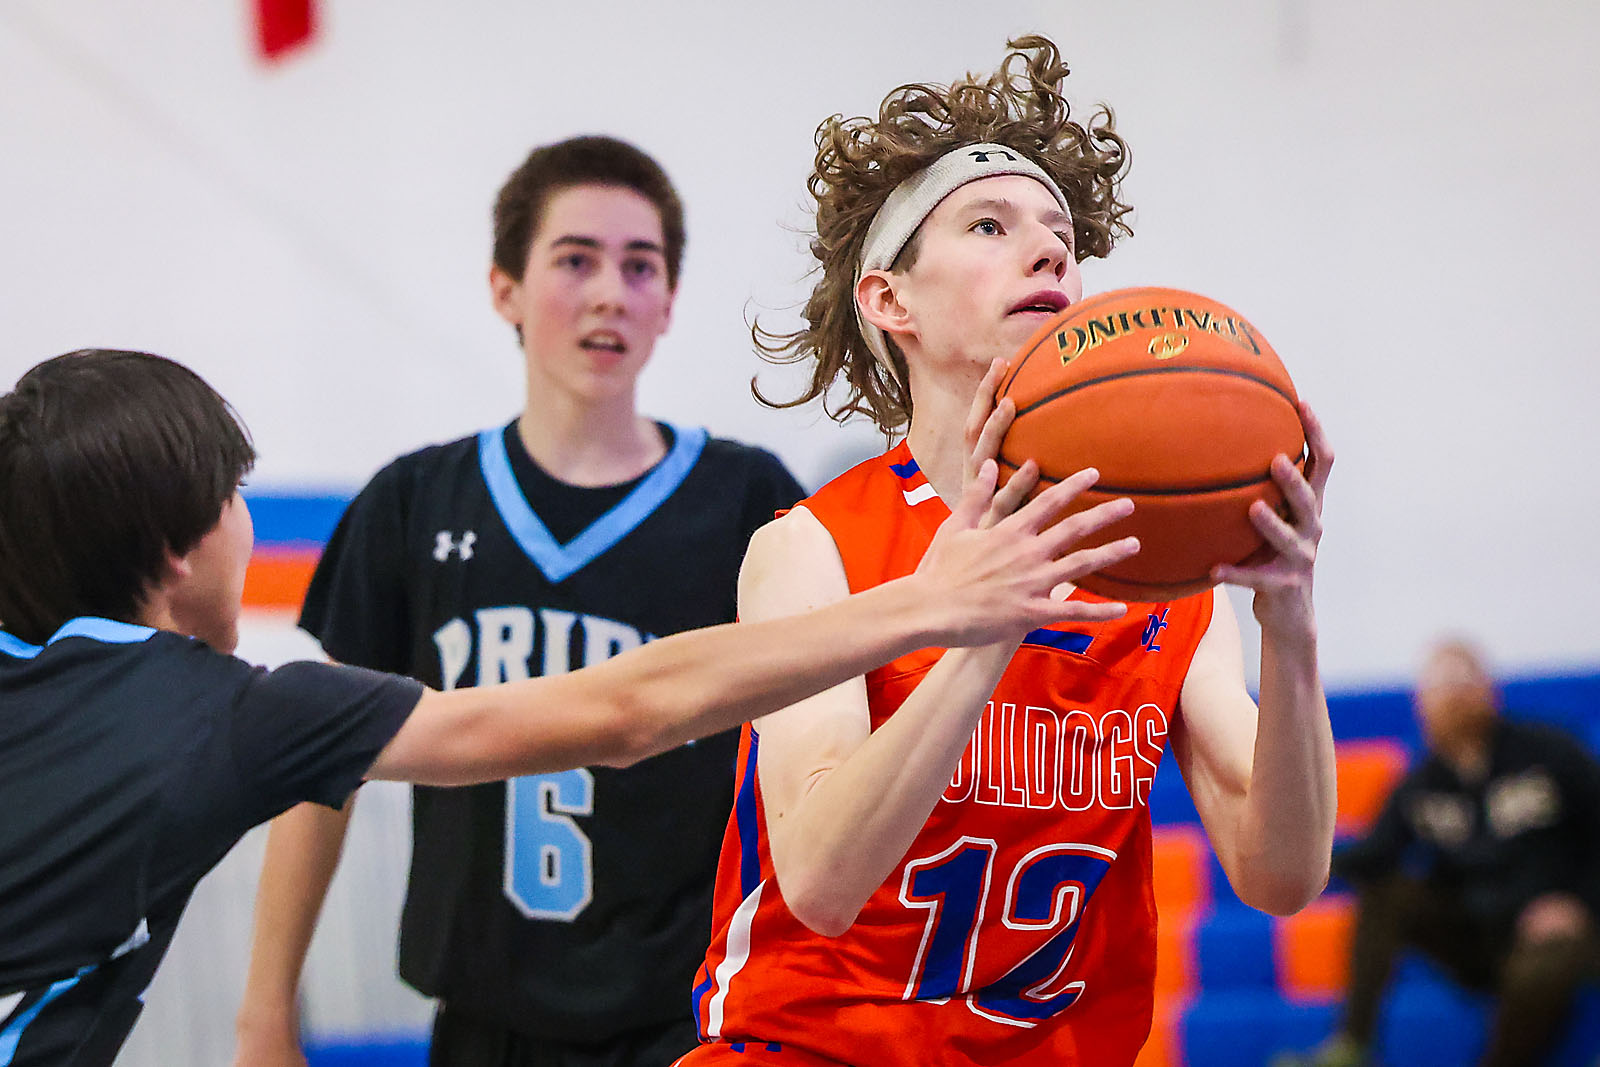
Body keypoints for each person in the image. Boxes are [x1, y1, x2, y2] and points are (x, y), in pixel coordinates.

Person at [0, 347, 1135, 1067]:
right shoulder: (237, 709)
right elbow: (629, 709)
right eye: (233, 495)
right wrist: (929, 606)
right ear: (177, 544)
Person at [679, 35, 1338, 1067]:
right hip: (813, 1050)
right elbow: (820, 877)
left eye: (1061, 238)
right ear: (889, 299)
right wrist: (980, 627)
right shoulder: (811, 548)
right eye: (990, 225)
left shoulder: (1153, 567)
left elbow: (1280, 875)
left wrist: (1288, 624)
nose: (1047, 253)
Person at [235, 135, 797, 1066]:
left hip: (696, 1020)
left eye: (640, 265)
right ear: (504, 288)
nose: (610, 291)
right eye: (575, 259)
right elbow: (319, 772)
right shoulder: (413, 503)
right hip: (485, 1021)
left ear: (668, 304)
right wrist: (263, 1014)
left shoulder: (750, 503)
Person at [1278, 639, 1600, 1067]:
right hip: (1478, 937)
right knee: (1386, 894)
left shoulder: (1549, 752)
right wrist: (1300, 860)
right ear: (1421, 703)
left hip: (1561, 933)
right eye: (1439, 685)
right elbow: (1376, 855)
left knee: (1540, 970)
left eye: (1461, 679)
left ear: (1489, 688)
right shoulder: (1424, 783)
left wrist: (1579, 904)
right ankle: (1351, 1046)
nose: (1452, 695)